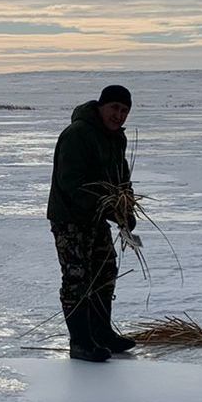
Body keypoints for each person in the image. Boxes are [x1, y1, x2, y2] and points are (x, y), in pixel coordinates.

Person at [47, 84, 139, 362]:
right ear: (101, 106)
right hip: (70, 218)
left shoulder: (116, 139)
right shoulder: (78, 134)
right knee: (77, 277)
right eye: (115, 108)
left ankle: (101, 334)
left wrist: (126, 207)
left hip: (98, 218)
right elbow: (72, 183)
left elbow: (120, 178)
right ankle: (81, 342)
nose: (119, 116)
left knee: (104, 272)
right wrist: (109, 207)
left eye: (124, 111)